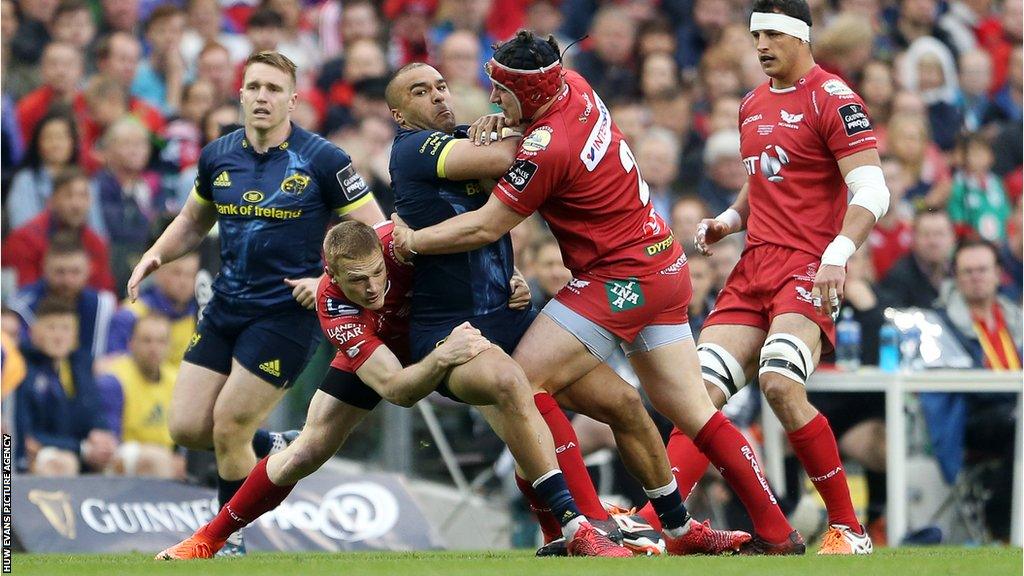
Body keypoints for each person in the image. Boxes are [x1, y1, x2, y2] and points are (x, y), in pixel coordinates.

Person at [391, 33, 793, 555]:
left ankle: (585, 526)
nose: (494, 100)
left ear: (530, 93)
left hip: (617, 277)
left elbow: (486, 226)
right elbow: (524, 129)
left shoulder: (545, 147)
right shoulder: (575, 84)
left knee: (525, 383)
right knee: (683, 409)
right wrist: (505, 123)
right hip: (664, 262)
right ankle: (757, 530)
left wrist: (414, 240)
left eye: (503, 92)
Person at [155, 220, 632, 559]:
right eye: (355, 281)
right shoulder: (332, 303)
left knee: (516, 414)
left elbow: (477, 246)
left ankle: (559, 533)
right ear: (332, 276)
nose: (370, 287)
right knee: (308, 449)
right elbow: (398, 391)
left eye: (375, 275)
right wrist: (441, 357)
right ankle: (209, 539)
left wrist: (510, 281)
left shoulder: (404, 244)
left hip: (435, 335)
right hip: (386, 355)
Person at [125, 51, 385, 556]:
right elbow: (193, 221)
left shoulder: (324, 159)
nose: (262, 97)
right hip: (225, 305)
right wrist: (153, 256)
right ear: (240, 94)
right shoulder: (218, 154)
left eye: (272, 88)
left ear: (292, 99)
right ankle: (274, 448)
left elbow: (375, 233)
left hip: (287, 313)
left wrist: (327, 278)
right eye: (253, 87)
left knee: (229, 426)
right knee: (185, 428)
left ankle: (228, 540)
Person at [682, 0, 892, 554]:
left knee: (778, 382)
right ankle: (673, 525)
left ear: (802, 37)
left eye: (773, 33)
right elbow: (767, 178)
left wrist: (838, 252)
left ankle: (849, 528)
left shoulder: (834, 98)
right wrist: (728, 221)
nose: (761, 45)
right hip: (754, 264)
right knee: (694, 394)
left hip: (808, 266)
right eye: (756, 35)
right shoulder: (752, 103)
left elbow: (873, 189)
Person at [14, 298, 118, 476]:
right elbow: (27, 435)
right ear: (33, 332)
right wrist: (81, 448)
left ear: (75, 335)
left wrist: (101, 435)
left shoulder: (80, 364)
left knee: (124, 459)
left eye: (66, 328)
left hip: (82, 450)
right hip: (38, 457)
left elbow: (94, 410)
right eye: (51, 327)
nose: (59, 336)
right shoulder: (21, 368)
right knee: (60, 463)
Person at [97, 314, 184, 479]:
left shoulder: (177, 379)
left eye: (161, 341)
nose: (154, 348)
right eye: (147, 340)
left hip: (166, 455)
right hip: (120, 454)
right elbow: (109, 439)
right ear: (131, 343)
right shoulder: (113, 379)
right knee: (154, 459)